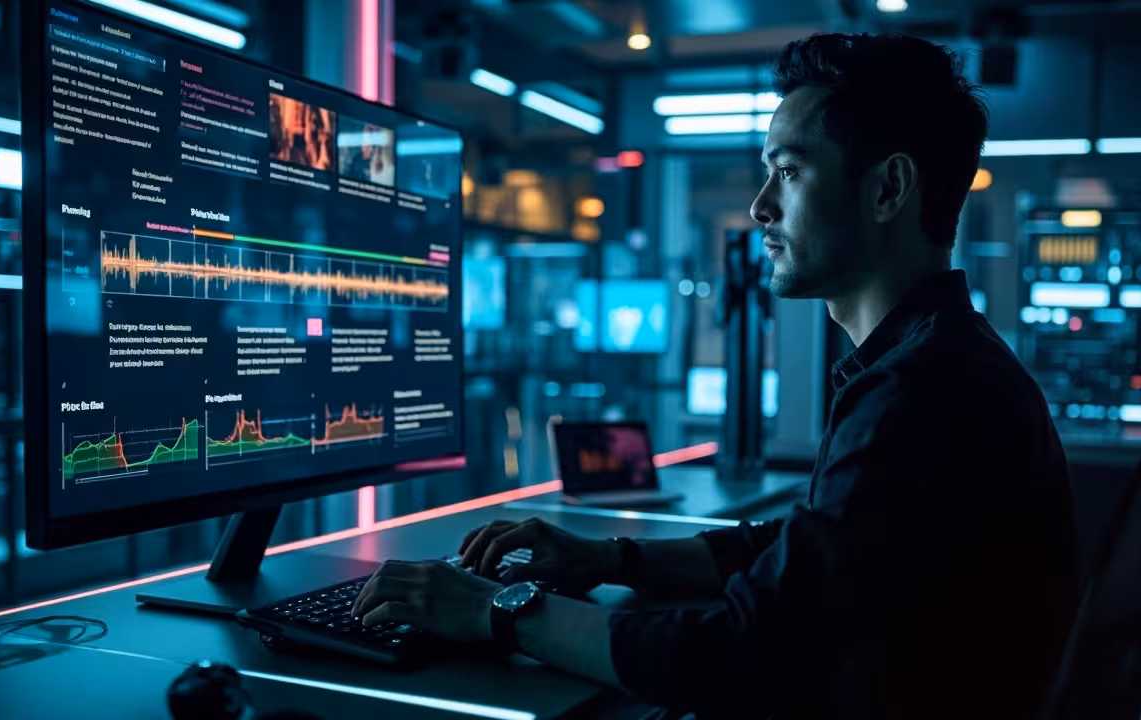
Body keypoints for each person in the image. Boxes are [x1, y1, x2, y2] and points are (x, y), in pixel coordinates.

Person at [352, 33, 1079, 719]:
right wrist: (608, 558)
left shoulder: (918, 397)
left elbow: (739, 652)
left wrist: (491, 610)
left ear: (888, 189)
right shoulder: (942, 363)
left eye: (789, 172)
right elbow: (808, 552)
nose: (761, 207)